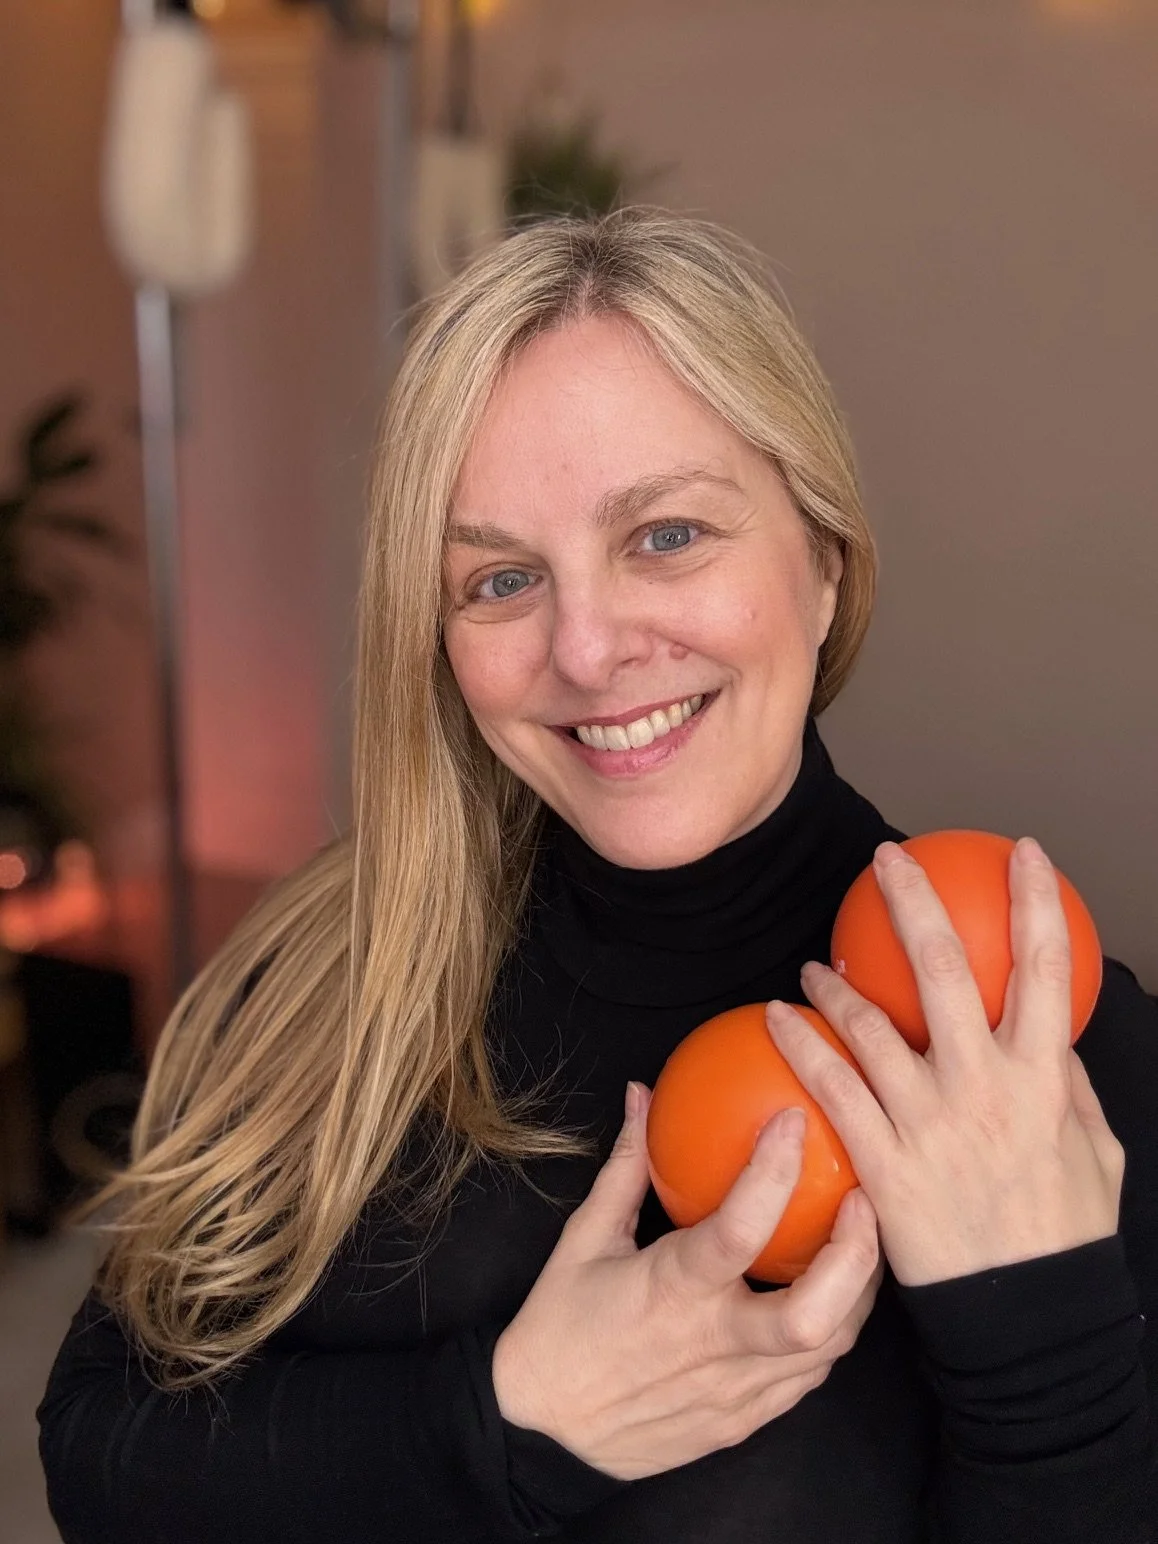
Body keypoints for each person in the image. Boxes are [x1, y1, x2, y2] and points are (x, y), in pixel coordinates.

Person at [38, 210, 1158, 1544]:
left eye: (666, 535)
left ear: (823, 564)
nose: (584, 649)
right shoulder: (330, 960)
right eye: (501, 578)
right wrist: (511, 1423)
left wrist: (1041, 1341)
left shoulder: (1044, 1051)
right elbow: (98, 1451)